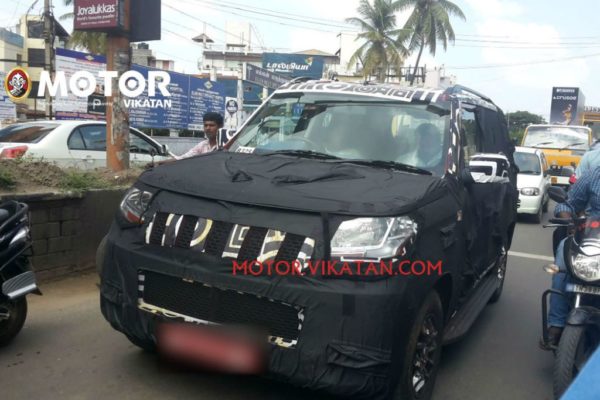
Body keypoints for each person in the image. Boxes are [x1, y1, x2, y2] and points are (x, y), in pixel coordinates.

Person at [541, 167, 600, 350]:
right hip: (590, 237)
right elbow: (567, 204)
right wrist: (570, 222)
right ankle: (557, 324)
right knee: (562, 250)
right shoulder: (595, 175)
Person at [149, 112, 223, 168]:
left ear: (220, 127)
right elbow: (182, 158)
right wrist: (159, 163)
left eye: (211, 125)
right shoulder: (202, 145)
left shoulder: (226, 145)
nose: (207, 128)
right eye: (205, 125)